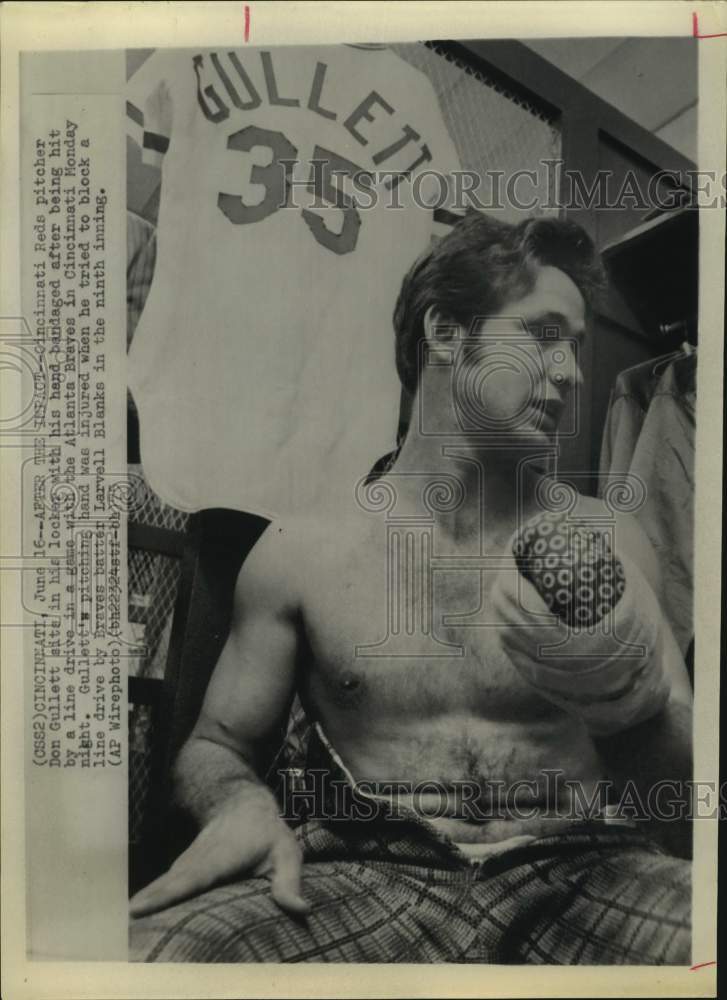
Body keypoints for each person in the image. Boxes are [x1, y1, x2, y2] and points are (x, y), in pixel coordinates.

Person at [130, 212, 693, 964]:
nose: (571, 373)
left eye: (576, 346)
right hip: (366, 873)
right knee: (156, 954)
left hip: (582, 869)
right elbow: (218, 744)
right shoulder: (302, 550)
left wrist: (631, 701)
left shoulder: (611, 539)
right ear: (446, 332)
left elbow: (683, 791)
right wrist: (236, 804)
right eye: (542, 334)